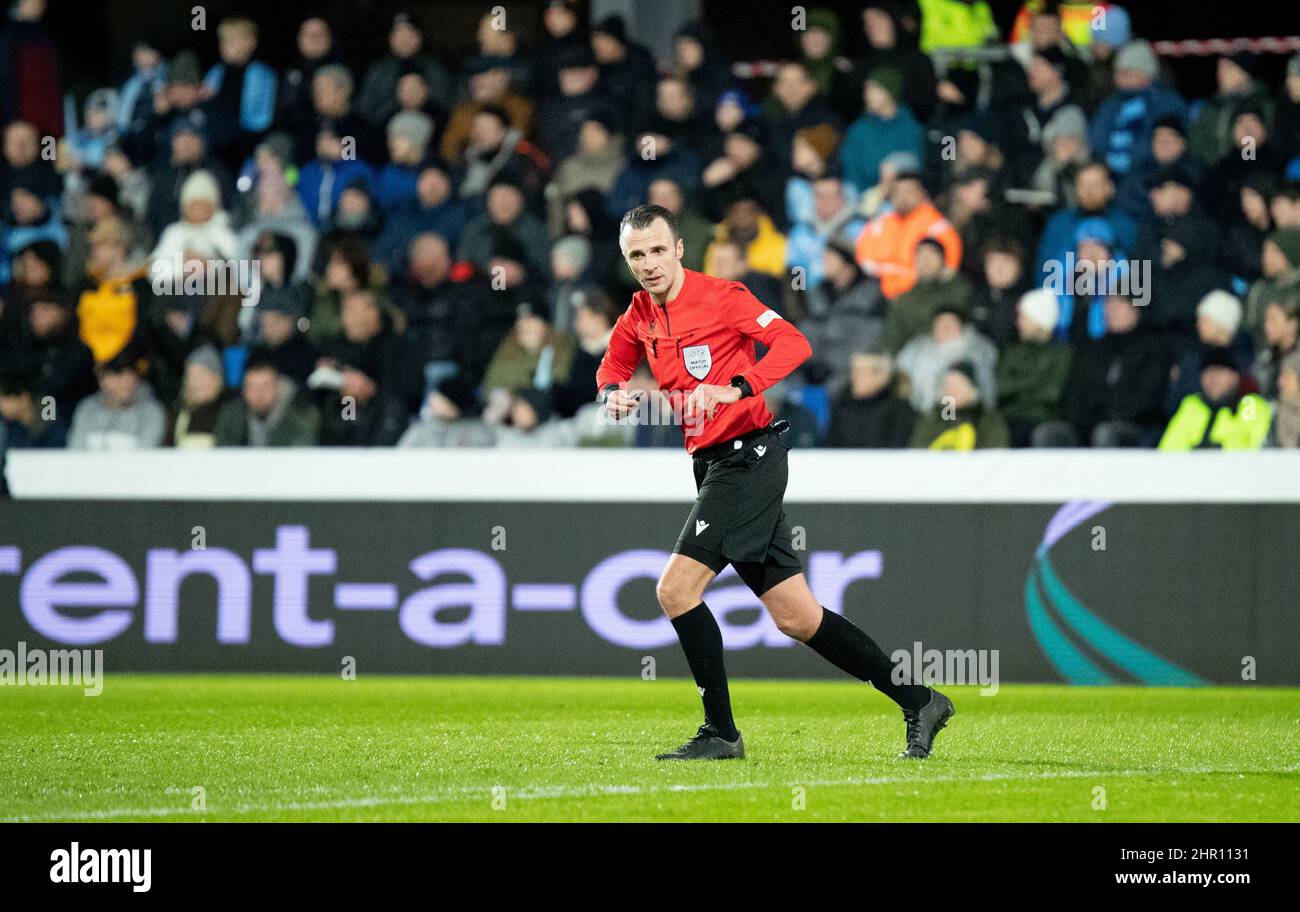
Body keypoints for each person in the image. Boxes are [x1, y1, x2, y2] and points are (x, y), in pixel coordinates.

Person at [597, 204, 953, 761]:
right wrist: (611, 394)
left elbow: (792, 344)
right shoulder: (640, 313)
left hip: (749, 457)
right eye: (636, 255)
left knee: (675, 590)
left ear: (680, 248)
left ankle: (721, 733)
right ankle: (920, 700)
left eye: (657, 250)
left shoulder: (722, 296)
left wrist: (737, 387)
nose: (648, 263)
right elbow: (612, 366)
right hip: (715, 464)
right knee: (797, 617)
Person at [1159, 348, 1272, 450]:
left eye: (1219, 371)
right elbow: (1169, 447)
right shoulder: (1192, 404)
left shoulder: (1251, 405)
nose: (1212, 378)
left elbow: (1257, 449)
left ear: (1234, 376)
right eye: (1207, 372)